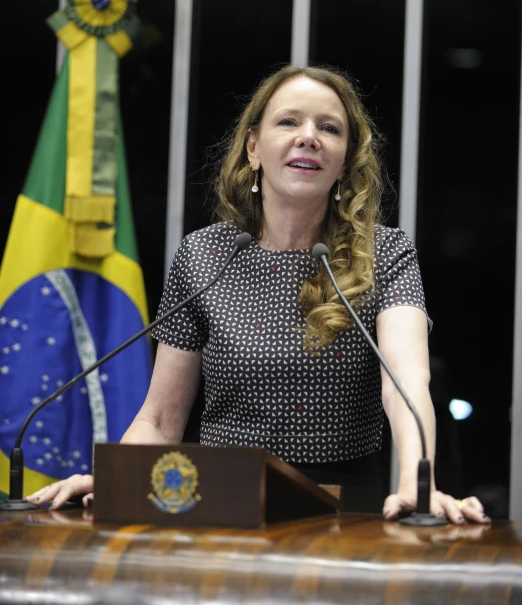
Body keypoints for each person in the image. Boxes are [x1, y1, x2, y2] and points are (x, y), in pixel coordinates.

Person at [26, 65, 489, 525]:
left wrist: (417, 482)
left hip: (346, 512)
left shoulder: (386, 252)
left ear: (345, 161)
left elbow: (406, 385)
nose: (309, 136)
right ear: (254, 148)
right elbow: (161, 418)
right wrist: (117, 479)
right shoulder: (204, 255)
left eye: (329, 128)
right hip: (217, 500)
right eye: (289, 121)